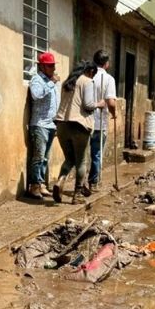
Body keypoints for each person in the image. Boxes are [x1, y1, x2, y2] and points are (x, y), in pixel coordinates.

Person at [51, 61, 103, 204]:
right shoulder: (87, 81)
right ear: (91, 72)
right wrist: (100, 104)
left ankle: (61, 179)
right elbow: (88, 105)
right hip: (78, 125)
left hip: (61, 125)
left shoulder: (67, 82)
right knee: (81, 161)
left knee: (70, 159)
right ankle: (78, 195)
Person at [24, 51, 59, 200]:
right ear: (42, 66)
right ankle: (34, 186)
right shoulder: (37, 80)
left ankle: (41, 184)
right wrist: (51, 83)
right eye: (50, 66)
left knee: (45, 158)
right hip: (39, 125)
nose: (53, 69)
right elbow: (36, 95)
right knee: (38, 157)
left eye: (53, 66)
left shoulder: (51, 80)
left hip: (50, 124)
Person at [89, 49, 117, 191]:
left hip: (84, 121)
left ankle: (79, 183)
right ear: (106, 64)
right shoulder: (109, 79)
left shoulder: (87, 75)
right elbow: (111, 102)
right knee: (96, 153)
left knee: (81, 155)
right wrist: (114, 114)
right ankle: (93, 182)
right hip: (99, 122)